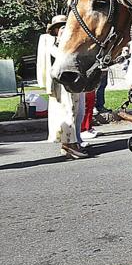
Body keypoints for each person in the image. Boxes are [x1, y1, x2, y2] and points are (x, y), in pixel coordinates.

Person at [36, 15, 89, 159]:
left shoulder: (71, 42)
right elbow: (58, 57)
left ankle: (74, 142)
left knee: (78, 112)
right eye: (61, 27)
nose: (63, 30)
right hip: (62, 84)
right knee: (67, 113)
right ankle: (68, 144)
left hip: (75, 81)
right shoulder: (51, 44)